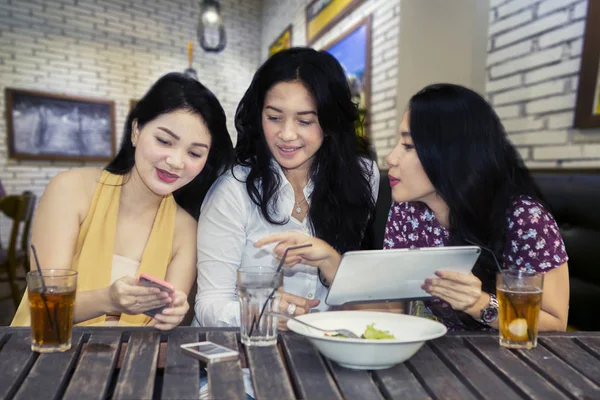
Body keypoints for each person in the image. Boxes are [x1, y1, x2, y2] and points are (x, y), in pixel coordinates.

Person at [258, 83, 570, 332]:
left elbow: (555, 324)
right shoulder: (409, 212)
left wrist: (480, 304)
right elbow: (391, 311)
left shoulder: (525, 219)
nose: (391, 157)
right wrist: (328, 258)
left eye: (407, 146)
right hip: (441, 364)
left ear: (449, 154)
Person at [12, 72, 234, 329]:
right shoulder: (71, 189)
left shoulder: (186, 229)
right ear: (136, 131)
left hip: (131, 362)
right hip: (47, 354)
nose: (176, 161)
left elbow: (156, 328)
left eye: (194, 153)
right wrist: (108, 300)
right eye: (164, 141)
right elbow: (46, 307)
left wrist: (171, 316)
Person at [194, 47, 379, 327]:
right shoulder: (233, 191)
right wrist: (260, 312)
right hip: (245, 352)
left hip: (325, 350)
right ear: (259, 116)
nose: (287, 134)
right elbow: (210, 305)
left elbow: (365, 297)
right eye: (274, 117)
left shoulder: (363, 176)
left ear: (330, 122)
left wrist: (332, 262)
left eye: (305, 121)